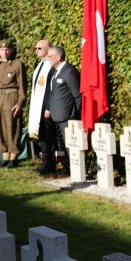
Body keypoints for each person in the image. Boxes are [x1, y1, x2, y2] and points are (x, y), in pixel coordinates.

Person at [39, 46, 80, 174]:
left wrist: (76, 115)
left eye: (50, 56)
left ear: (58, 57)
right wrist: (49, 108)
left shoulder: (69, 71)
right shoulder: (55, 71)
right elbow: (53, 93)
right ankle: (66, 169)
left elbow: (78, 95)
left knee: (69, 146)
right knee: (61, 146)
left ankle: (74, 170)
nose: (48, 59)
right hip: (56, 116)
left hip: (67, 117)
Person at [0, 39, 28, 168]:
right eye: (1, 50)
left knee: (13, 127)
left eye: (7, 49)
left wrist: (20, 103)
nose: (4, 52)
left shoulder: (17, 64)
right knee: (0, 128)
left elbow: (22, 86)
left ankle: (14, 157)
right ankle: (5, 157)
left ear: (11, 50)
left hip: (12, 97)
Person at [27, 38, 52, 165]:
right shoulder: (40, 65)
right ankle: (45, 161)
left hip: (46, 106)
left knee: (47, 135)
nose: (36, 51)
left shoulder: (50, 65)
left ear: (48, 49)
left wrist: (48, 106)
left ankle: (48, 163)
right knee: (42, 134)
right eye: (36, 48)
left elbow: (50, 88)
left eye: (39, 48)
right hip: (38, 104)